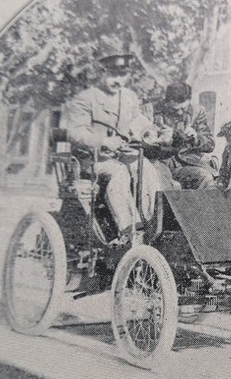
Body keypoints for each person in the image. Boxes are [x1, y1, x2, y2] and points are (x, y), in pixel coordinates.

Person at [60, 54, 169, 240]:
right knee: (120, 173)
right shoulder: (85, 99)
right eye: (113, 75)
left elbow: (137, 120)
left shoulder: (129, 97)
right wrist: (102, 140)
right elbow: (76, 132)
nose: (118, 81)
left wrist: (149, 132)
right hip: (93, 159)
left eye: (123, 76)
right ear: (101, 73)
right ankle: (130, 230)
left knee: (146, 168)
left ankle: (152, 225)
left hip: (121, 154)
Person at [151, 80, 216, 189]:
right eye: (175, 109)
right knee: (168, 186)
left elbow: (210, 144)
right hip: (159, 163)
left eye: (184, 108)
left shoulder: (197, 111)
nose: (180, 112)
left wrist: (196, 138)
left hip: (186, 163)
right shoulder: (152, 111)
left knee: (205, 178)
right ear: (166, 102)